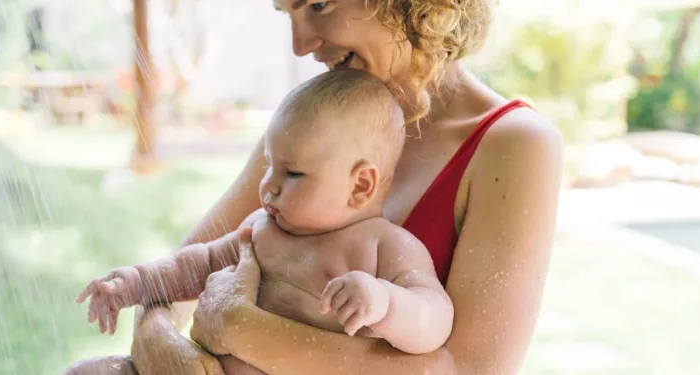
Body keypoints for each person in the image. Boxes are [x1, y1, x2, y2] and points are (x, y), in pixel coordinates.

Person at [64, 0, 563, 374]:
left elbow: (463, 371)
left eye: (319, 4)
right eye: (287, 12)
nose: (301, 44)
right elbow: (179, 278)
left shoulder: (514, 145)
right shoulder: (312, 125)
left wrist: (236, 325)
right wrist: (160, 346)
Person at [73, 69, 454, 374]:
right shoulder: (261, 230)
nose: (268, 184)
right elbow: (196, 264)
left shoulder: (385, 247)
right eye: (269, 164)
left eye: (292, 173)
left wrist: (385, 303)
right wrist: (136, 282)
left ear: (360, 185)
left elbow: (434, 320)